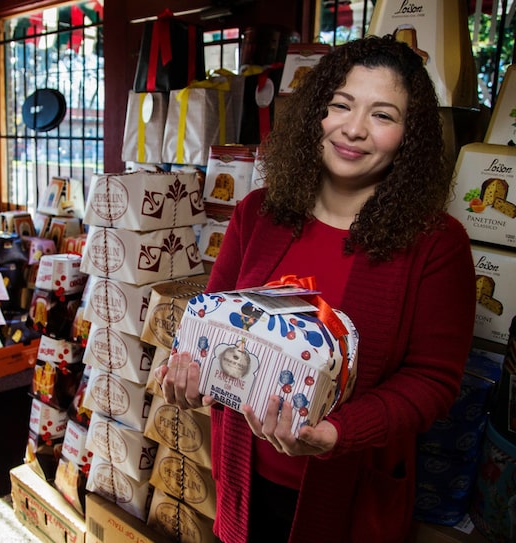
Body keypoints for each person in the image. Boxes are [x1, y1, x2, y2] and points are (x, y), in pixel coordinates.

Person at [156, 34, 476, 543]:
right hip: (245, 477)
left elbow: (433, 381)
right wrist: (190, 372)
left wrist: (338, 433)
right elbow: (209, 323)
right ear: (316, 115)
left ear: (410, 136)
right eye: (341, 105)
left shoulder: (436, 244)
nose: (354, 129)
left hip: (350, 496)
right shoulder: (257, 213)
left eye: (383, 115)